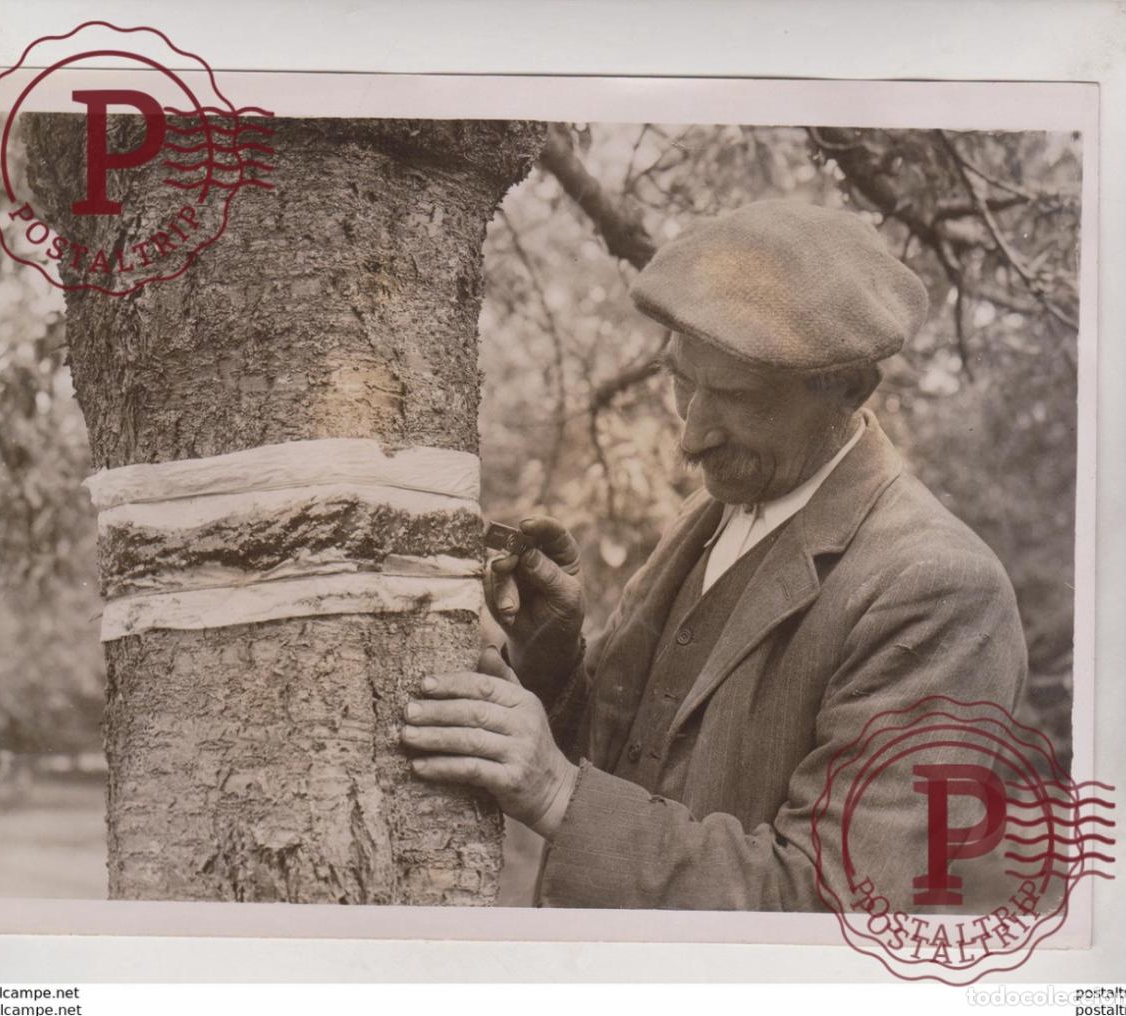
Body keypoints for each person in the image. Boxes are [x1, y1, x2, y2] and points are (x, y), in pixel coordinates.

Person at [400, 200, 1028, 910]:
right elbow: (640, 765)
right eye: (681, 382)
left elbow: (835, 906)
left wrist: (555, 793)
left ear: (850, 387)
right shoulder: (716, 513)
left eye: (734, 395)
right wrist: (552, 664)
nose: (691, 437)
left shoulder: (941, 592)